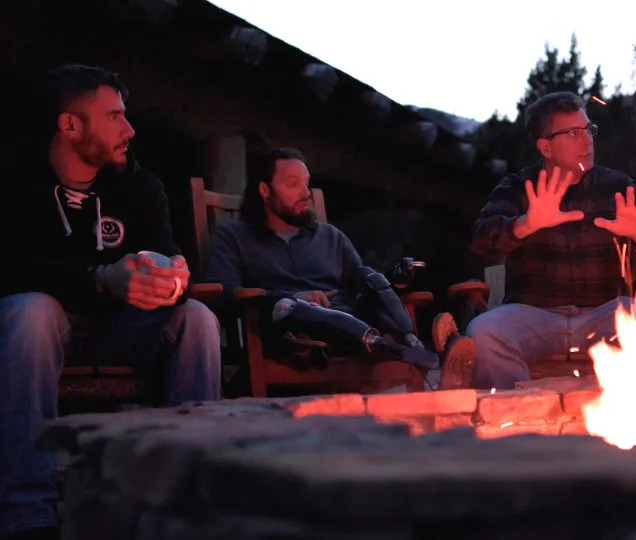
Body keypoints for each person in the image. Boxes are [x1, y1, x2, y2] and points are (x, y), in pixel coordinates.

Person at [0, 64, 221, 540]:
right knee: (30, 310)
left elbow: (171, 254)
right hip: (37, 337)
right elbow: (11, 266)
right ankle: (27, 512)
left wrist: (172, 277)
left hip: (118, 335)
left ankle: (191, 498)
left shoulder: (140, 186)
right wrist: (100, 280)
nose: (130, 128)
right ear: (71, 125)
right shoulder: (16, 177)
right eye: (115, 116)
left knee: (197, 318)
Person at [204, 147, 475, 390]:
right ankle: (427, 358)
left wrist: (392, 285)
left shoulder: (329, 236)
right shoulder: (234, 237)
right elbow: (223, 294)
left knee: (369, 275)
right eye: (293, 184)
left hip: (350, 326)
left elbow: (360, 284)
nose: (305, 193)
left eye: (306, 184)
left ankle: (413, 344)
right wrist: (292, 297)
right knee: (286, 305)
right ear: (264, 190)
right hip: (288, 330)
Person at [466, 91, 636, 390]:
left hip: (605, 314)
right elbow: (480, 242)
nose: (586, 140)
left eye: (588, 130)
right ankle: (516, 419)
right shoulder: (518, 187)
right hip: (534, 316)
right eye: (573, 133)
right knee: (483, 332)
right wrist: (524, 225)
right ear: (546, 146)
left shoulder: (616, 186)